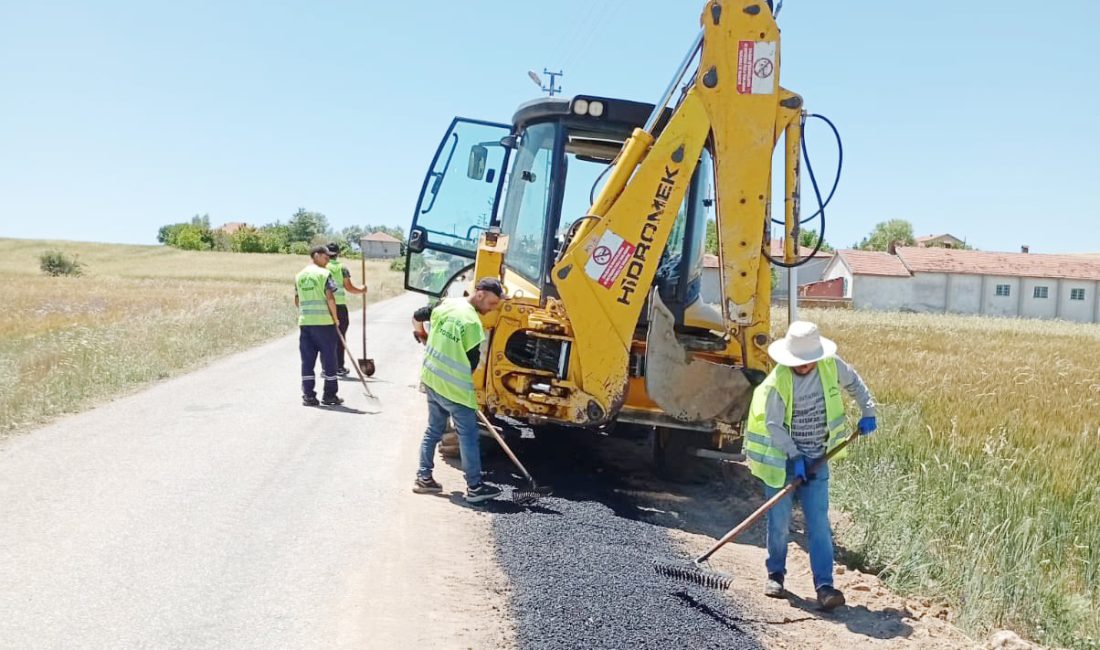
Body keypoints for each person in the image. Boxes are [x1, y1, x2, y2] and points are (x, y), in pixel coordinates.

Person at [744, 320, 877, 610]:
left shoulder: (831, 366)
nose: (802, 367)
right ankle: (776, 575)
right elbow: (773, 425)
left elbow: (855, 383)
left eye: (807, 362)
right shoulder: (777, 382)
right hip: (783, 461)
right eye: (798, 363)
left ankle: (825, 587)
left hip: (818, 459)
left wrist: (868, 411)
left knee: (818, 524)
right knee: (779, 523)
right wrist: (794, 457)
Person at [410, 278, 505, 503]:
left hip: (432, 379)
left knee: (433, 429)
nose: (491, 309)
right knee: (468, 436)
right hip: (454, 389)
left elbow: (417, 315)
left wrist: (422, 334)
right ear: (480, 294)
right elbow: (472, 364)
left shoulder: (446, 305)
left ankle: (424, 479)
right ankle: (474, 488)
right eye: (491, 304)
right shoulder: (472, 323)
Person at [294, 246, 343, 407]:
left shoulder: (299, 276)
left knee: (307, 361)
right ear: (316, 256)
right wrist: (335, 318)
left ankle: (308, 396)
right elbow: (330, 298)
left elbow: (296, 300)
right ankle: (329, 395)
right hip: (324, 324)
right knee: (329, 360)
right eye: (325, 257)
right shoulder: (324, 274)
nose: (328, 259)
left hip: (305, 323)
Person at [324, 242, 367, 376]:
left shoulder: (321, 267)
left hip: (324, 307)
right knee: (340, 337)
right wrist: (362, 290)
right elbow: (349, 287)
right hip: (339, 306)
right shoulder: (342, 268)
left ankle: (327, 368)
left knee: (325, 338)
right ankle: (339, 367)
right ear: (338, 253)